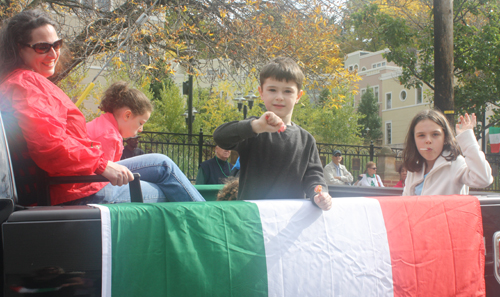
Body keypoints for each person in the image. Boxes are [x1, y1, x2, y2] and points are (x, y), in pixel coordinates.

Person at [0, 10, 204, 205]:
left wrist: (99, 164)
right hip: (72, 190)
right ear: (18, 48)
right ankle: (214, 227)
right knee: (168, 187)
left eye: (57, 44)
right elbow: (50, 146)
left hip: (74, 180)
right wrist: (101, 164)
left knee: (163, 165)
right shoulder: (26, 84)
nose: (53, 53)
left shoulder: (21, 83)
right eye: (42, 47)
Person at [213, 57, 332, 211]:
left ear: (298, 96)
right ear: (261, 92)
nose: (279, 97)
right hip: (254, 218)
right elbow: (220, 137)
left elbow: (314, 177)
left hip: (290, 219)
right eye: (272, 89)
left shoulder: (306, 140)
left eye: (288, 91)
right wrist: (256, 126)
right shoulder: (253, 130)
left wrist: (320, 194)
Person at [402, 110, 492, 196]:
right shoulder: (414, 169)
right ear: (413, 139)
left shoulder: (456, 164)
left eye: (435, 134)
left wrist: (467, 139)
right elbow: (405, 205)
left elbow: (483, 179)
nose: (428, 140)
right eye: (421, 135)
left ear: (445, 137)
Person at [87, 81, 151, 162]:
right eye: (140, 123)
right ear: (127, 115)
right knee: (163, 164)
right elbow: (104, 173)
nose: (141, 129)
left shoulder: (104, 125)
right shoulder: (108, 136)